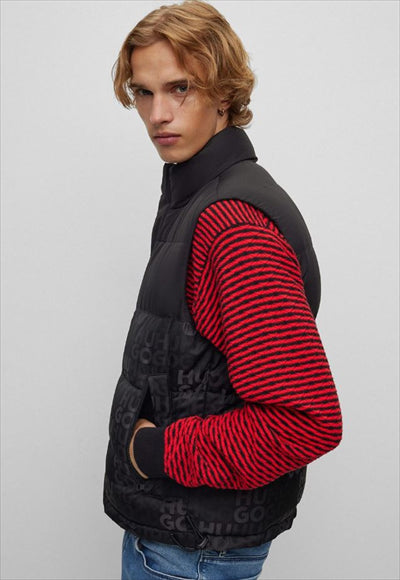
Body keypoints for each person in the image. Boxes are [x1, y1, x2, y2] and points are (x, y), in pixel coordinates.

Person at [103, 1, 343, 579]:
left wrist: (153, 452)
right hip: (184, 541)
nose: (158, 114)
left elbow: (304, 420)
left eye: (179, 88)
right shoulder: (196, 196)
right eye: (143, 93)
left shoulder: (232, 223)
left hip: (190, 554)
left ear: (225, 92)